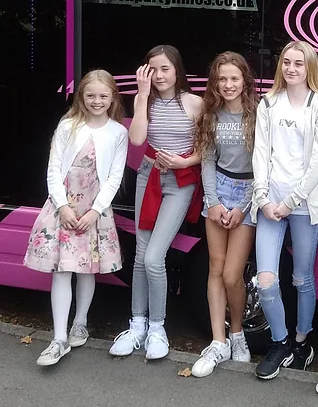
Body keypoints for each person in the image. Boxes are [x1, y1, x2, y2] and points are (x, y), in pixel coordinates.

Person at [24, 69, 128, 366]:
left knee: (86, 269)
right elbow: (54, 168)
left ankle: (80, 321)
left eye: (103, 96)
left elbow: (114, 176)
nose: (97, 101)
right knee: (62, 269)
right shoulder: (68, 125)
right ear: (81, 96)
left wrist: (97, 210)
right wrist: (62, 206)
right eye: (91, 95)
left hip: (95, 209)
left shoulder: (117, 132)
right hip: (64, 208)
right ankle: (58, 339)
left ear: (112, 98)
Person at [109, 45, 202, 360]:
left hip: (180, 181)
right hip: (148, 176)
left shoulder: (195, 103)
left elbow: (208, 148)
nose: (160, 75)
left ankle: (158, 328)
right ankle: (137, 325)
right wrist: (142, 95)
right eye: (153, 69)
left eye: (165, 68)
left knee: (153, 258)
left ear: (177, 70)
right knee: (139, 254)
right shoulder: (143, 100)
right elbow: (136, 139)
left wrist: (182, 161)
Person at [251, 40, 318, 380]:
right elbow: (259, 151)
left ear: (309, 67)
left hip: (302, 206)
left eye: (299, 63)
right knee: (267, 280)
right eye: (286, 62)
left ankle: (302, 339)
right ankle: (280, 341)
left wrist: (291, 201)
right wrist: (263, 197)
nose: (291, 68)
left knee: (302, 279)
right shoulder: (268, 104)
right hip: (270, 205)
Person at [191, 52, 258, 377]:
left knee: (233, 274)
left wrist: (242, 207)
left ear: (245, 81)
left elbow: (263, 166)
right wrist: (214, 201)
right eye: (222, 79)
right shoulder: (211, 115)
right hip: (218, 192)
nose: (228, 85)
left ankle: (237, 332)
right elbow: (207, 160)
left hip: (247, 196)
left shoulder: (258, 116)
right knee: (215, 268)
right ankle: (219, 340)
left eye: (234, 78)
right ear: (215, 83)